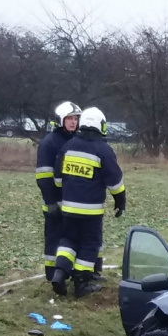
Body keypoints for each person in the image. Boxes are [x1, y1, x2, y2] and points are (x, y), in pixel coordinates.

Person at [51, 106, 127, 297]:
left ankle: (59, 273)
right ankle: (81, 283)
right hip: (90, 211)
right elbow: (114, 180)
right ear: (100, 125)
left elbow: (58, 178)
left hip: (68, 207)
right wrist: (120, 200)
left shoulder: (68, 146)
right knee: (89, 243)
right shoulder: (103, 149)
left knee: (68, 240)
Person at [36, 102, 81, 281]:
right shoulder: (49, 143)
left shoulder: (76, 140)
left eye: (76, 119)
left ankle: (67, 272)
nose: (73, 122)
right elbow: (43, 176)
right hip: (55, 203)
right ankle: (51, 274)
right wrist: (51, 202)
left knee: (70, 240)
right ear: (60, 120)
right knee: (54, 239)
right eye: (69, 118)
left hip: (72, 203)